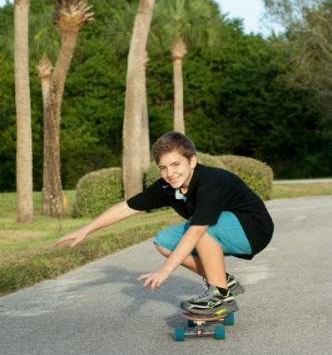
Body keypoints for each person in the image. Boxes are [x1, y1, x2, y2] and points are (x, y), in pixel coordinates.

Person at [56, 132, 274, 317]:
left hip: (253, 228)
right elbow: (128, 207)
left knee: (198, 230)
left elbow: (197, 230)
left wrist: (165, 271)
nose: (170, 173)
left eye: (176, 164)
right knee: (164, 241)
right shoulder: (168, 187)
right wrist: (86, 229)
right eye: (163, 167)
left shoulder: (210, 182)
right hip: (221, 228)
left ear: (192, 161)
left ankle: (220, 296)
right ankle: (224, 282)